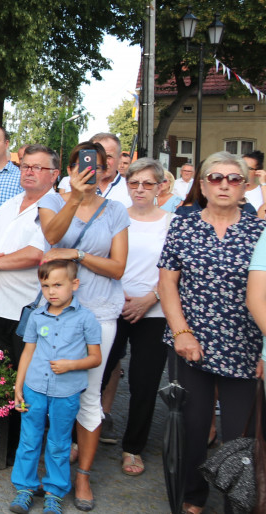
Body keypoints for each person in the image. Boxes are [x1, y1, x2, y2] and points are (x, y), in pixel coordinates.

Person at [158, 151, 265, 514]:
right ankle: (192, 495)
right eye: (215, 178)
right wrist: (182, 332)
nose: (224, 185)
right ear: (202, 185)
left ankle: (239, 499)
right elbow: (168, 283)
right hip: (192, 342)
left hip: (245, 347)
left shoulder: (259, 231)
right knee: (192, 426)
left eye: (233, 179)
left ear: (245, 187)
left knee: (243, 434)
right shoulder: (182, 226)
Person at [35, 141, 129, 511]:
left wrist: (78, 255)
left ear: (106, 169)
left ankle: (84, 475)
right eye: (79, 164)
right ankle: (53, 468)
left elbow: (118, 267)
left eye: (95, 164)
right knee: (49, 390)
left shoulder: (115, 210)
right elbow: (52, 238)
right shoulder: (55, 201)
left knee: (89, 396)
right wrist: (73, 198)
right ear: (70, 168)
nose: (88, 169)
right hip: (55, 313)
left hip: (99, 313)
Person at [0, 144, 58, 469]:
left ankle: (25, 446)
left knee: (28, 382)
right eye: (25, 166)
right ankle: (2, 442)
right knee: (0, 376)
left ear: (54, 174)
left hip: (28, 310)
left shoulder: (53, 208)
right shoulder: (10, 203)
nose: (30, 172)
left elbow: (35, 254)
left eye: (38, 167)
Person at [97, 158, 172, 477]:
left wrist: (150, 298)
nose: (140, 189)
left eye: (147, 184)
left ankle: (133, 448)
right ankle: (79, 438)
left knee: (144, 383)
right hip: (113, 306)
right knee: (96, 376)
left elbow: (176, 271)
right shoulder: (115, 216)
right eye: (134, 183)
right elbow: (101, 257)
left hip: (153, 311)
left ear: (160, 187)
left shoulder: (172, 222)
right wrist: (119, 294)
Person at [9, 259, 101, 514]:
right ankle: (25, 488)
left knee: (59, 442)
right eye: (46, 285)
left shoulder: (86, 318)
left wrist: (71, 365)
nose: (51, 291)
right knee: (29, 439)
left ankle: (54, 492)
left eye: (58, 285)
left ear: (74, 284)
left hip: (67, 391)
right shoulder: (37, 316)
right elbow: (28, 352)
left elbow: (96, 357)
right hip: (34, 387)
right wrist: (19, 386)